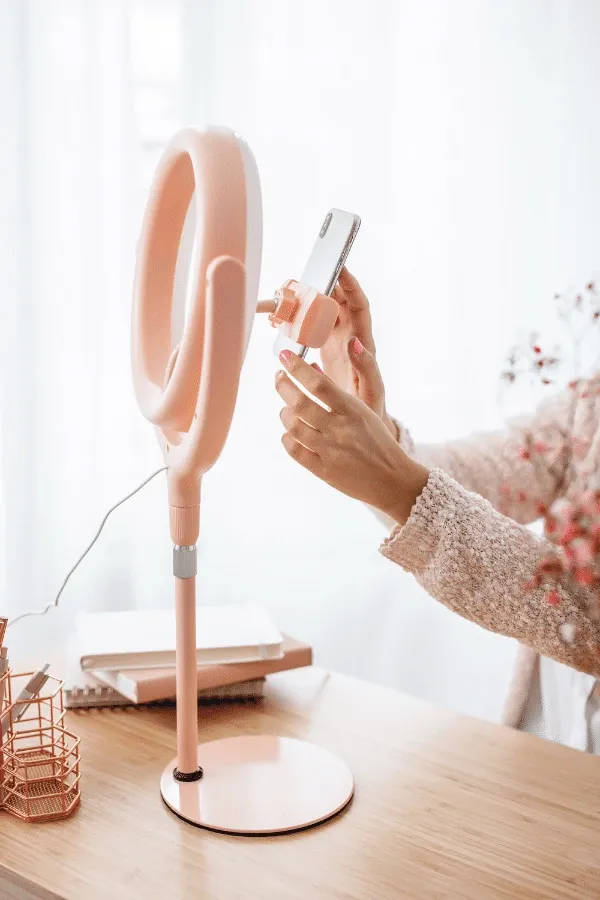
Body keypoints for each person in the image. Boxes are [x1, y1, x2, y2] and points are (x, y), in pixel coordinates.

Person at [274, 268, 600, 753]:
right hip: (552, 750)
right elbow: (480, 477)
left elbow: (585, 612)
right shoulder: (588, 405)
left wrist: (400, 485)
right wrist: (374, 423)